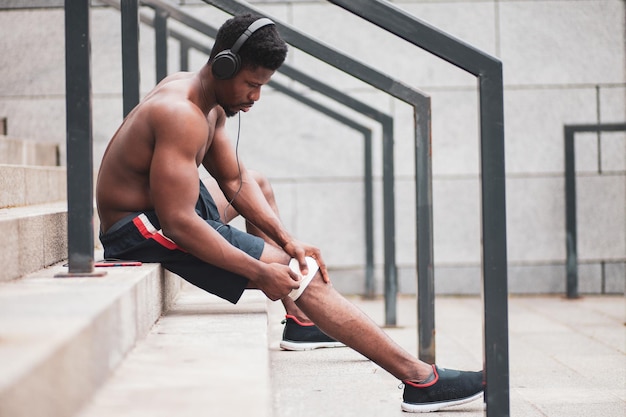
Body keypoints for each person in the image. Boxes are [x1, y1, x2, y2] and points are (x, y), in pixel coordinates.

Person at [96, 14, 484, 413]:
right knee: (301, 275)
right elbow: (179, 224)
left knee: (259, 184)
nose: (255, 97)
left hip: (168, 210)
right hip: (139, 228)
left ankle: (300, 321)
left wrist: (287, 239)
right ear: (223, 65)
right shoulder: (181, 115)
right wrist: (260, 270)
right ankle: (420, 379)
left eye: (262, 86)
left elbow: (234, 182)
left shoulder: (205, 101)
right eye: (251, 84)